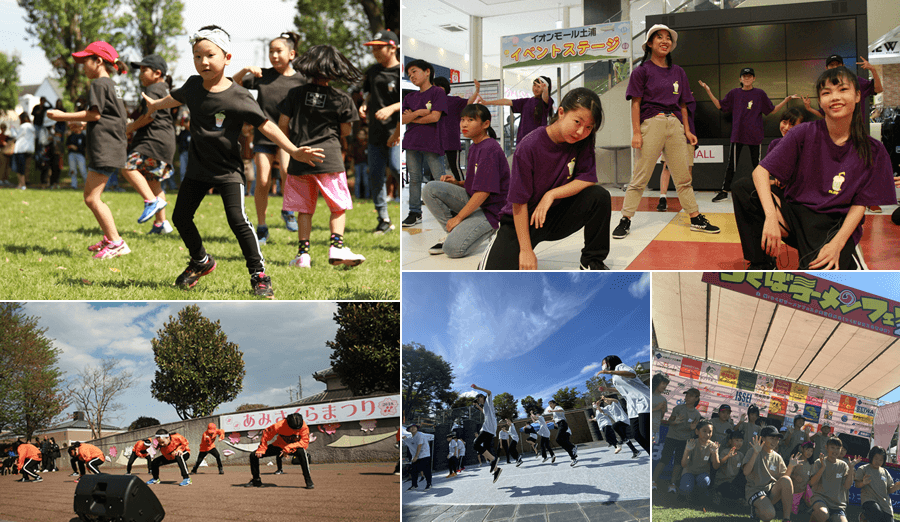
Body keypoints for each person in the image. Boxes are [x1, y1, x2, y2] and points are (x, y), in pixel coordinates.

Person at [142, 25, 323, 298]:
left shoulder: (238, 95)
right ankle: (201, 261)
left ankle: (259, 275)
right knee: (180, 217)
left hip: (228, 172)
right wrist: (156, 106)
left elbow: (266, 125)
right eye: (197, 56)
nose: (203, 61)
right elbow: (175, 98)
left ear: (226, 58)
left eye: (210, 55)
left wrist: (293, 150)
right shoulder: (192, 85)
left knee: (237, 220)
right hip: (197, 168)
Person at [732, 66, 896, 270]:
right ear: (820, 102)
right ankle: (762, 263)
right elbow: (760, 172)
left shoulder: (873, 150)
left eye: (842, 90)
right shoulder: (802, 133)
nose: (834, 97)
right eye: (827, 93)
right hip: (794, 212)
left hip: (831, 223)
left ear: (857, 96)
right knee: (744, 188)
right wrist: (771, 218)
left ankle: (850, 255)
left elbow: (860, 204)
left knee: (819, 281)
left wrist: (838, 243)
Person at [480, 88, 611, 270]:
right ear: (561, 112)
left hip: (554, 214)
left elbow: (588, 178)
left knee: (599, 196)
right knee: (488, 274)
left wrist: (551, 195)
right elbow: (519, 203)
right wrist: (525, 250)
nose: (581, 131)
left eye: (589, 127)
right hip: (521, 219)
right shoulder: (529, 146)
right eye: (577, 122)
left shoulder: (582, 142)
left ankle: (592, 261)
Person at [613, 24, 720, 240]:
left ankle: (695, 217)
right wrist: (636, 132)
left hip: (675, 125)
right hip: (652, 123)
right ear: (650, 44)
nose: (665, 41)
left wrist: (687, 130)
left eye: (668, 38)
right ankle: (625, 218)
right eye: (659, 37)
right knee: (641, 176)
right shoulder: (641, 71)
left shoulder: (678, 71)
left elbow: (683, 104)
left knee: (683, 177)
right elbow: (635, 104)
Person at [277, 44, 366, 268]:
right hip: (330, 159)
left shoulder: (295, 94)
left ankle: (303, 256)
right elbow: (346, 131)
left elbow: (282, 125)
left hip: (300, 157)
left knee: (304, 209)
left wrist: (293, 148)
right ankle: (336, 247)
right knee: (337, 207)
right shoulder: (342, 98)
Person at [46, 41, 131, 259]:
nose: (83, 67)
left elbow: (95, 114)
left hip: (105, 148)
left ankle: (116, 243)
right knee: (91, 197)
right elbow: (113, 117)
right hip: (113, 146)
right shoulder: (114, 86)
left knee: (92, 198)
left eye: (86, 62)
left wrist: (61, 117)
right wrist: (84, 124)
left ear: (99, 61)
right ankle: (109, 238)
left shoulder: (99, 85)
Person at [234, 32, 306, 242]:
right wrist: (246, 70)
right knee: (262, 181)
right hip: (264, 135)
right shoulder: (261, 76)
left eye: (278, 51)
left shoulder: (301, 79)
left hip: (288, 137)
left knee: (286, 171)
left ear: (291, 54)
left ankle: (287, 210)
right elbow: (233, 84)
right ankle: (262, 226)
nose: (274, 55)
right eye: (271, 51)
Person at [697, 68, 798, 202]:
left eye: (750, 76)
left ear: (754, 78)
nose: (747, 78)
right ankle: (724, 191)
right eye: (744, 76)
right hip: (737, 134)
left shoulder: (759, 94)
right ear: (740, 79)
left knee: (758, 166)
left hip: (755, 135)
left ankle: (761, 190)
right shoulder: (734, 93)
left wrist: (786, 100)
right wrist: (708, 90)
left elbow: (772, 110)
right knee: (731, 165)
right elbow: (720, 106)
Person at [423, 103, 509, 258]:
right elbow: (478, 181)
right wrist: (457, 183)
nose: (464, 124)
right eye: (462, 119)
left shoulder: (489, 148)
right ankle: (456, 232)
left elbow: (484, 191)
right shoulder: (475, 145)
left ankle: (489, 230)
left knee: (452, 249)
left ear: (485, 124)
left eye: (470, 120)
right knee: (431, 188)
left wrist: (459, 217)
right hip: (475, 201)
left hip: (492, 211)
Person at [127, 54, 176, 233]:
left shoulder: (153, 89)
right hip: (165, 141)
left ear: (157, 73)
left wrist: (130, 128)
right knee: (153, 181)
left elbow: (149, 117)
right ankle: (161, 224)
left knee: (127, 167)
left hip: (153, 139)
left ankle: (151, 202)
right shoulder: (163, 88)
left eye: (144, 70)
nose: (140, 74)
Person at [361, 30, 400, 235]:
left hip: (396, 131)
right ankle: (383, 219)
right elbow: (368, 93)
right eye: (373, 48)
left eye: (379, 47)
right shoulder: (372, 71)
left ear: (392, 47)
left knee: (395, 167)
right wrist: (365, 105)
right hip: (375, 131)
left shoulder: (401, 72)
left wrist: (392, 108)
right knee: (375, 175)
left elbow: (409, 102)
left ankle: (414, 207)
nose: (375, 51)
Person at [401, 59, 446, 227]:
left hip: (432, 142)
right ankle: (414, 212)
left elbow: (435, 116)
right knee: (414, 179)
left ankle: (446, 209)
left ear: (427, 71)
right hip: (412, 142)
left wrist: (413, 118)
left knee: (439, 178)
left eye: (414, 71)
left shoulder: (437, 93)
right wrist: (419, 113)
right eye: (409, 74)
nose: (411, 76)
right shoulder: (410, 96)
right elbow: (403, 119)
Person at [477, 75, 554, 146]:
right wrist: (486, 102)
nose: (536, 88)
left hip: (537, 142)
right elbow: (507, 101)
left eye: (539, 86)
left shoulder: (546, 102)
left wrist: (545, 91)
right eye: (534, 85)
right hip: (522, 141)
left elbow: (545, 98)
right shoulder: (526, 101)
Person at [596, 355, 650, 454]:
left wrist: (609, 372)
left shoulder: (620, 367)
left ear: (610, 362)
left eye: (604, 363)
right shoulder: (614, 376)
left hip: (643, 400)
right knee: (636, 434)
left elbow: (632, 374)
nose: (602, 366)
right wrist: (607, 389)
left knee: (645, 433)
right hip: (633, 406)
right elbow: (621, 390)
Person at [742, 427, 798, 522]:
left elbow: (784, 479)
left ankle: (786, 519)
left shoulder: (777, 457)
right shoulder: (752, 451)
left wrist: (791, 467)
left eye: (777, 439)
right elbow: (745, 472)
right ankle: (755, 510)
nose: (775, 441)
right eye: (772, 438)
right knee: (769, 515)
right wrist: (755, 453)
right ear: (763, 438)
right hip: (755, 490)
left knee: (787, 480)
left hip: (771, 491)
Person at [245, 412, 313, 489]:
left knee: (302, 452)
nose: (296, 431)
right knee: (253, 455)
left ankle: (308, 480)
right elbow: (266, 434)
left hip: (294, 448)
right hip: (279, 446)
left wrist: (288, 448)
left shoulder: (304, 427)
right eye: (293, 429)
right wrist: (262, 448)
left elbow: (304, 442)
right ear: (287, 423)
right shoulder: (279, 425)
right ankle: (256, 480)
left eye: (298, 429)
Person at [652, 387, 702, 492]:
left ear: (696, 398)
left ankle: (672, 484)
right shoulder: (678, 408)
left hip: (684, 440)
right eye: (686, 395)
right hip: (672, 437)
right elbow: (670, 422)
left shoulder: (697, 415)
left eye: (690, 395)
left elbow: (694, 432)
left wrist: (692, 429)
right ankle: (653, 481)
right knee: (664, 459)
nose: (687, 397)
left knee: (678, 462)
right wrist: (675, 422)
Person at [656, 100, 697, 212]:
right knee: (666, 167)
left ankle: (687, 200)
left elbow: (687, 113)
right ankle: (662, 198)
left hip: (687, 137)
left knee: (687, 168)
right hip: (670, 135)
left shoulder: (690, 102)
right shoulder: (668, 99)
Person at [808, 437, 854, 522]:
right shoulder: (819, 462)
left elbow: (847, 486)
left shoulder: (844, 465)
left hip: (837, 505)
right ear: (826, 447)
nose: (835, 451)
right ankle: (814, 517)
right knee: (823, 514)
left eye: (838, 448)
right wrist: (823, 467)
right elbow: (812, 483)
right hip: (820, 499)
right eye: (832, 447)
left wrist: (851, 469)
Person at [433, 76, 468, 181]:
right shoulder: (432, 103)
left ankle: (463, 188)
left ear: (444, 88)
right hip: (436, 140)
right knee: (435, 169)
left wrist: (477, 90)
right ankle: (434, 191)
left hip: (451, 139)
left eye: (438, 87)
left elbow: (470, 102)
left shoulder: (454, 101)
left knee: (455, 167)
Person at [855, 445, 900, 522]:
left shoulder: (885, 472)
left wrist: (896, 487)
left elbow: (889, 489)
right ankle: (864, 515)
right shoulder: (863, 469)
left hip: (885, 504)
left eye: (880, 460)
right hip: (869, 500)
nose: (878, 461)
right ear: (871, 457)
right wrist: (863, 483)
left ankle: (866, 518)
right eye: (876, 458)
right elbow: (857, 485)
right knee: (877, 513)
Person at [679, 419, 720, 501]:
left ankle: (699, 494)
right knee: (685, 489)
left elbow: (716, 466)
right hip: (689, 472)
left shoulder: (713, 446)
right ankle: (685, 494)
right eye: (704, 431)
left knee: (704, 481)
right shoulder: (692, 443)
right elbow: (683, 464)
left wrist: (714, 453)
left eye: (710, 432)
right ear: (697, 431)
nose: (707, 434)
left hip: (703, 474)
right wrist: (687, 450)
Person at [471, 384, 502, 483]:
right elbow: (484, 412)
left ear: (481, 397)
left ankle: (494, 459)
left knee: (476, 444)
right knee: (487, 451)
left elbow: (489, 392)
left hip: (488, 428)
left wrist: (477, 388)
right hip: (490, 430)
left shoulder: (488, 400)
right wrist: (477, 406)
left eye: (478, 400)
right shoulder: (485, 407)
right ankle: (497, 470)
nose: (478, 401)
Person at [713, 430, 747, 504]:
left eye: (741, 441)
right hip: (723, 482)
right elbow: (719, 464)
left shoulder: (741, 455)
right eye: (736, 440)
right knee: (730, 490)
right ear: (730, 441)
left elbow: (742, 469)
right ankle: (718, 494)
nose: (739, 443)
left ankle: (737, 498)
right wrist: (727, 457)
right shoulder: (725, 451)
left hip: (734, 481)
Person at [545, 400, 578, 466]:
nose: (550, 405)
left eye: (551, 404)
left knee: (558, 439)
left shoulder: (557, 407)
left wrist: (552, 411)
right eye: (549, 404)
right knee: (561, 441)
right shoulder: (554, 412)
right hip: (560, 424)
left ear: (554, 404)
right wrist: (548, 421)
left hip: (563, 424)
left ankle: (573, 447)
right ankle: (573, 458)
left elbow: (562, 410)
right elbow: (555, 420)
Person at [789, 441, 816, 517]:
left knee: (811, 502)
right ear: (802, 449)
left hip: (805, 488)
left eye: (811, 451)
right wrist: (795, 477)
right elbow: (788, 473)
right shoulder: (795, 461)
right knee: (793, 512)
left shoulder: (810, 464)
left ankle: (810, 512)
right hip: (795, 490)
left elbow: (810, 477)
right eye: (807, 450)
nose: (809, 453)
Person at [12, 112, 35, 189]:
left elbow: (17, 137)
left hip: (21, 149)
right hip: (30, 149)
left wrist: (13, 130)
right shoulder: (32, 127)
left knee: (20, 167)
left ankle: (22, 184)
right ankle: (23, 183)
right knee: (26, 167)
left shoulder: (23, 127)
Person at [404, 424, 431, 490]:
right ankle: (414, 485)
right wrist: (403, 438)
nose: (413, 428)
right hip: (416, 457)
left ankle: (429, 484)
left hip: (424, 455)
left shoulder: (420, 435)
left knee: (426, 471)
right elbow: (407, 441)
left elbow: (419, 446)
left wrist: (416, 456)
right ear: (409, 430)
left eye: (414, 427)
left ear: (417, 428)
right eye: (411, 427)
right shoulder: (410, 437)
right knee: (413, 471)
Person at [66, 122, 87, 189]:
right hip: (72, 154)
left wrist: (86, 155)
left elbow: (85, 147)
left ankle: (87, 185)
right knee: (73, 170)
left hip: (80, 155)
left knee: (83, 170)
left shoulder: (83, 136)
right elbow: (67, 145)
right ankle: (74, 185)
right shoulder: (71, 136)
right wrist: (71, 146)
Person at [651, 373, 670, 442]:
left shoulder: (663, 399)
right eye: (663, 383)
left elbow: (660, 417)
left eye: (666, 384)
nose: (665, 386)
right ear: (657, 383)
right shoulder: (649, 395)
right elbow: (643, 412)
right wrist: (656, 408)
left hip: (656, 430)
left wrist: (662, 410)